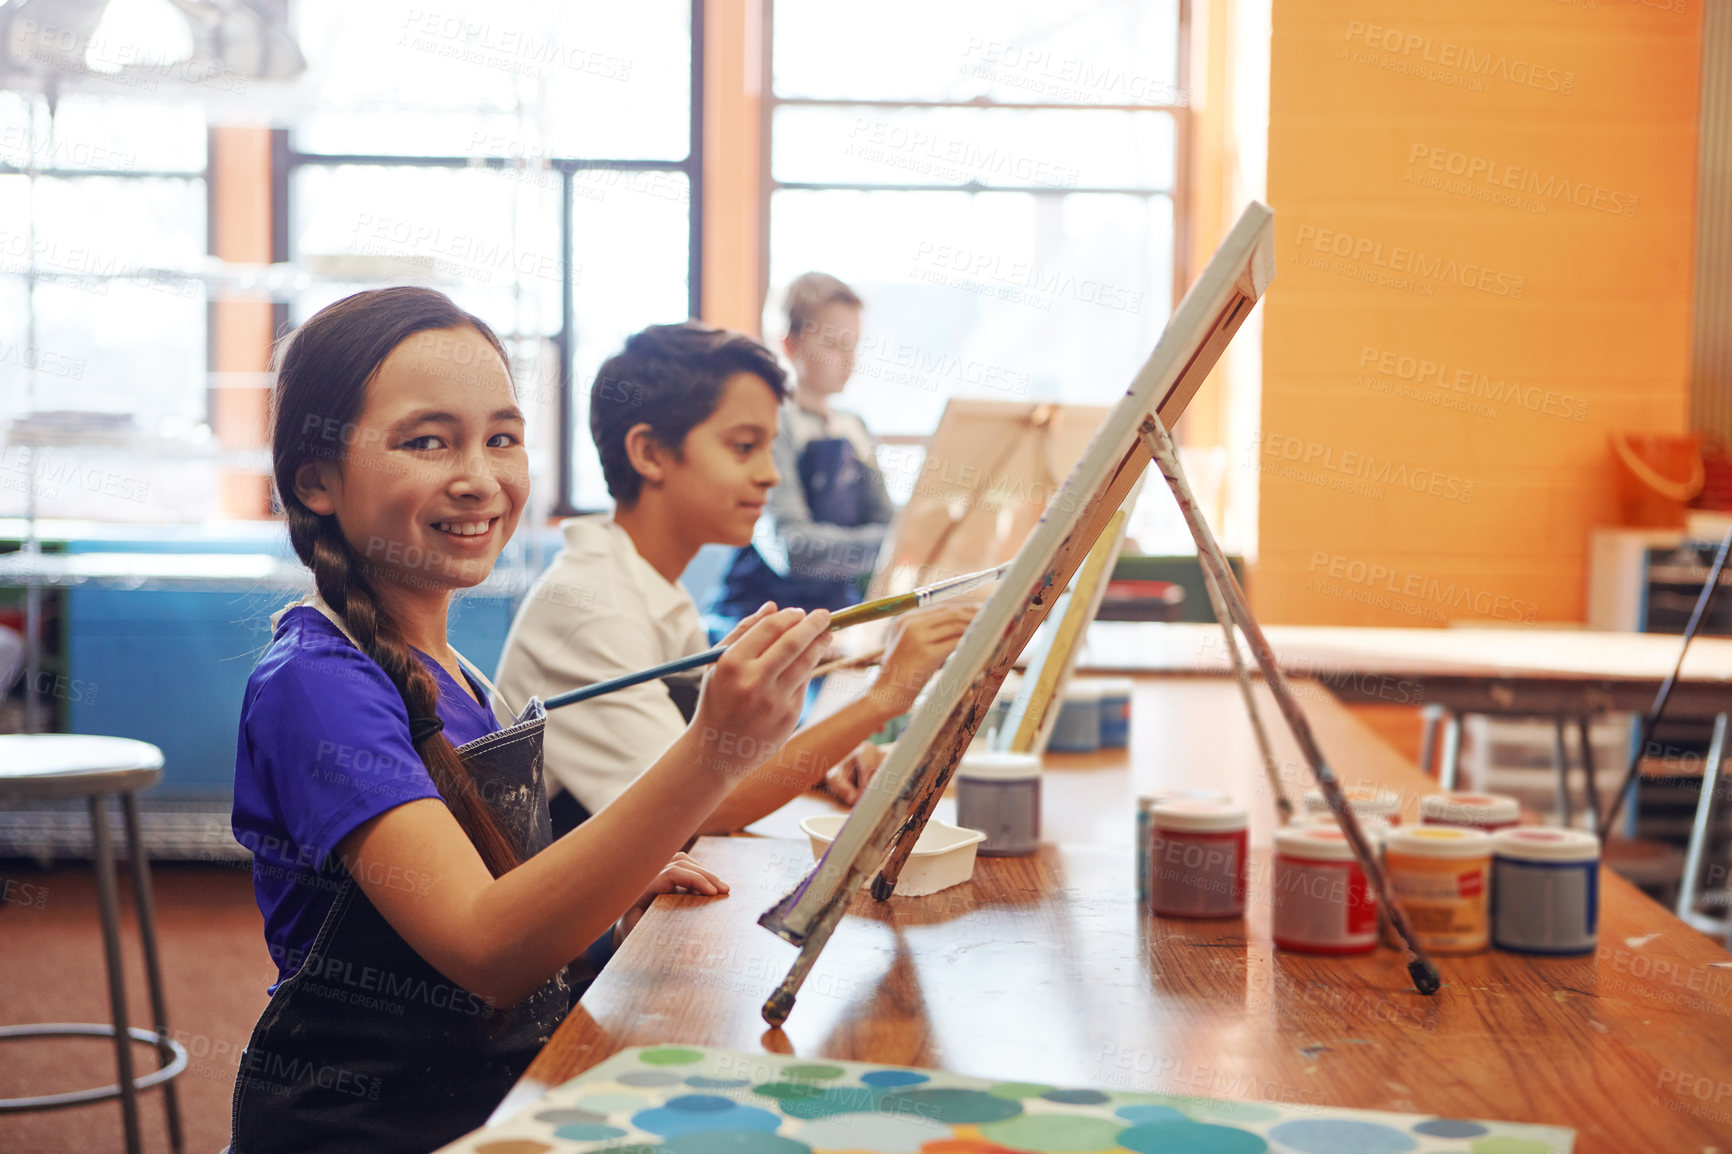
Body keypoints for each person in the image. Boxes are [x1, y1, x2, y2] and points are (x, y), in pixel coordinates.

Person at [228, 288, 830, 1153]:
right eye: (427, 441)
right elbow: (484, 947)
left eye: (501, 438)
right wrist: (712, 752)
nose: (479, 477)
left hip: (493, 1096)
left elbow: (495, 907)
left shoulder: (456, 673)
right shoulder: (318, 686)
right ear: (315, 478)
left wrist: (603, 898)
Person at [494, 321, 972, 835]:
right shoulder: (592, 611)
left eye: (769, 447)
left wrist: (817, 767)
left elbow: (715, 765)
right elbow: (698, 810)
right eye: (744, 447)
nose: (771, 475)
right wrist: (885, 697)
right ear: (650, 453)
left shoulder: (651, 587)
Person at [708, 272, 895, 624]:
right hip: (760, 617)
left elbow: (890, 521)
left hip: (835, 615)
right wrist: (892, 544)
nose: (847, 358)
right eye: (833, 344)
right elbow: (792, 548)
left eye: (852, 344)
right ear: (790, 345)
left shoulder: (854, 426)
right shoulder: (770, 424)